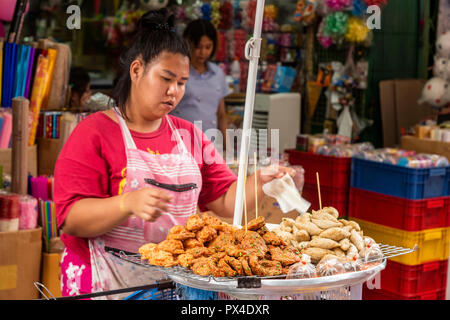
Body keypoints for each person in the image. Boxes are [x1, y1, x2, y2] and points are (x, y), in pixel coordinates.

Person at [54, 8, 296, 299]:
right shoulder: (94, 133)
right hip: (108, 285)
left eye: (182, 83)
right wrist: (127, 203)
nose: (174, 91)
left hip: (174, 287)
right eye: (166, 78)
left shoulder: (190, 135)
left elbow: (224, 201)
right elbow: (71, 219)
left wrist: (261, 181)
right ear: (136, 70)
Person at [170, 19, 230, 151]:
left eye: (208, 47)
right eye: (197, 47)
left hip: (210, 145)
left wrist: (229, 151)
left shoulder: (217, 73)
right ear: (187, 43)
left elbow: (221, 115)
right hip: (180, 145)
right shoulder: (176, 71)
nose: (203, 52)